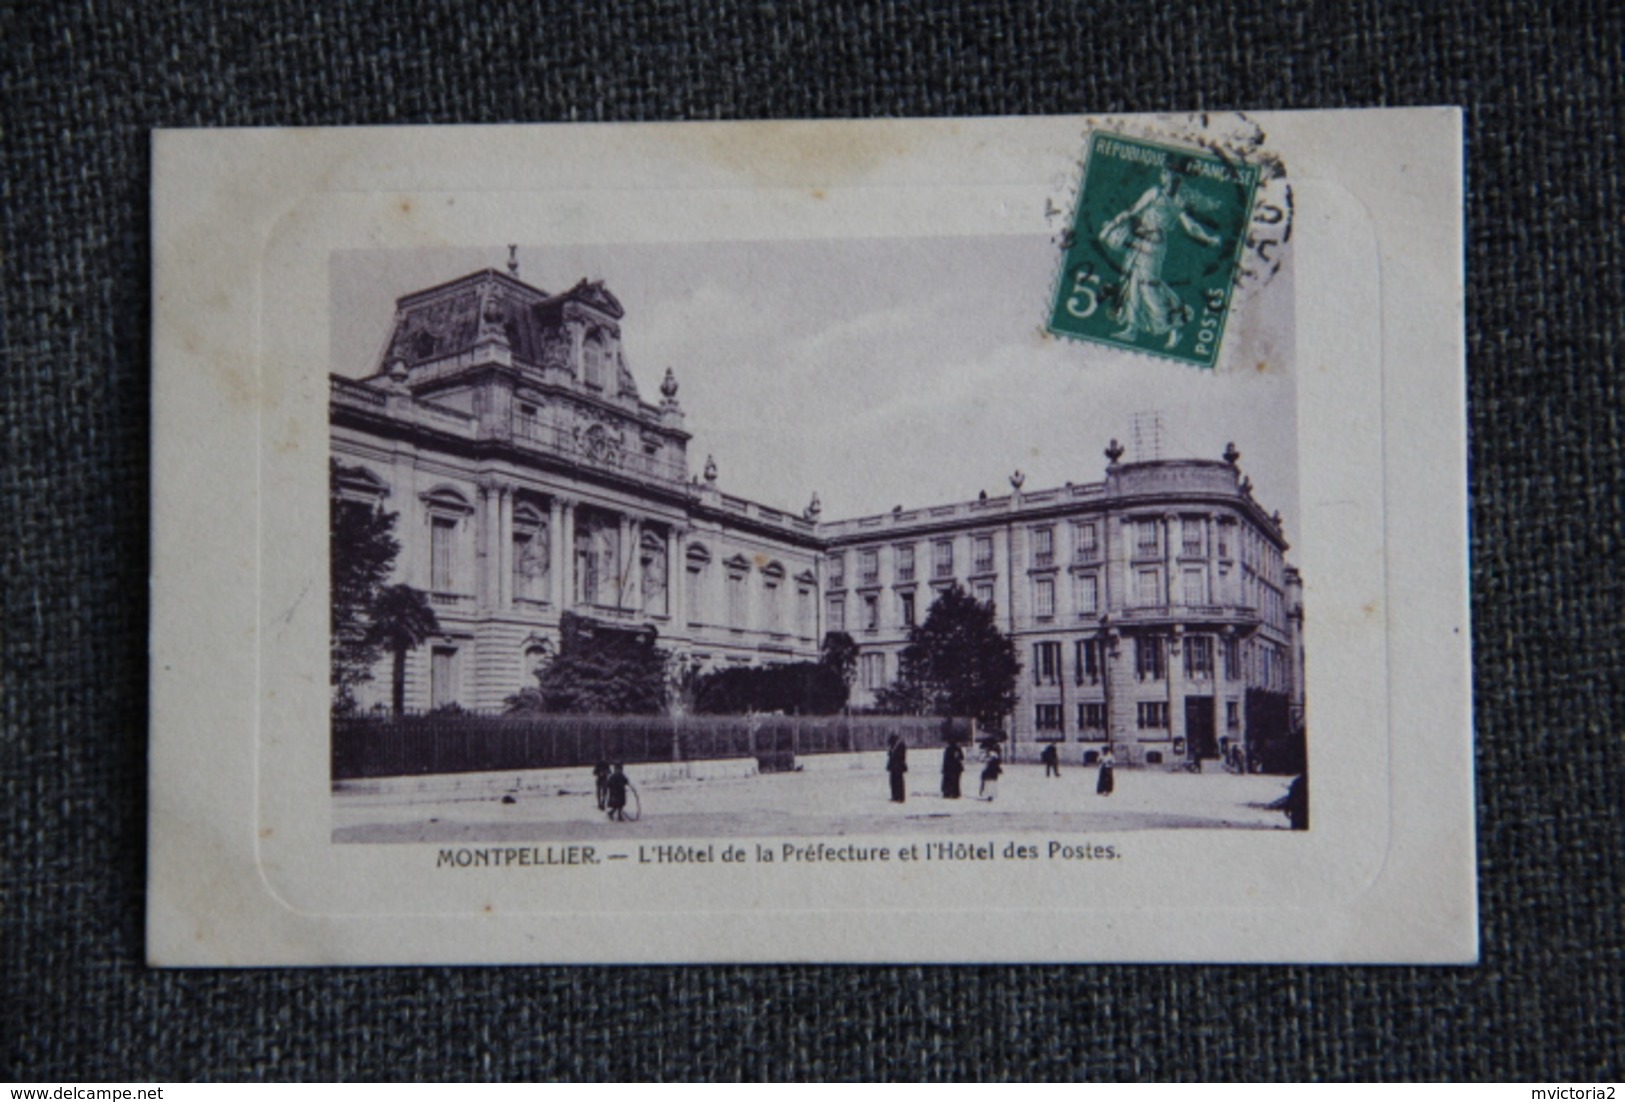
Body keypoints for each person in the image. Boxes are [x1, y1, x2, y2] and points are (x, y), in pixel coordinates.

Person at [1098, 165, 1222, 349]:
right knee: (1131, 281)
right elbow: (1132, 210)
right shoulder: (1154, 192)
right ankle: (1132, 328)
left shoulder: (1179, 200)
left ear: (1178, 178)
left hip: (1154, 245)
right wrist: (1110, 227)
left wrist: (1208, 238)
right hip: (1138, 240)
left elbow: (1190, 226)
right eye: (1166, 173)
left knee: (1148, 285)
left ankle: (1175, 325)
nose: (1167, 177)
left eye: (1172, 174)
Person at [885, 735, 908, 803]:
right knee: (893, 782)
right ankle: (895, 796)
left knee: (899, 782)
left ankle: (900, 797)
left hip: (898, 767)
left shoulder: (900, 745)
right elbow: (890, 754)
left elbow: (901, 756)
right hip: (893, 767)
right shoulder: (894, 746)